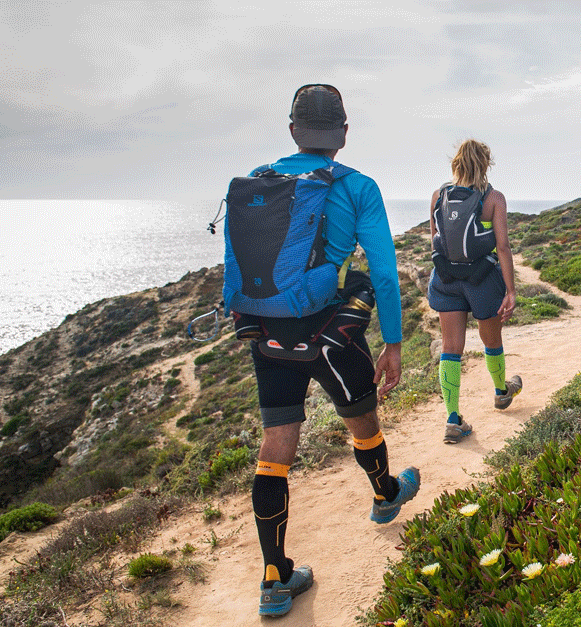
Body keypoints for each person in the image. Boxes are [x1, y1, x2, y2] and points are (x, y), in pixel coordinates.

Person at [238, 84, 419, 617]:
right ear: (343, 133)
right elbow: (383, 272)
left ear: (292, 130)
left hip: (267, 332)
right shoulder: (358, 187)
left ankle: (275, 577)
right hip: (330, 333)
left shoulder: (259, 181)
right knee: (361, 416)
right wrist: (393, 341)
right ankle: (386, 493)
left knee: (277, 444)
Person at [427, 139, 523, 444]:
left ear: (455, 162)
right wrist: (510, 290)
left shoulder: (438, 196)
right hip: (482, 279)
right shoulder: (493, 198)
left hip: (446, 279)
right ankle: (500, 392)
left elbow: (436, 242)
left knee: (450, 347)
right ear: (485, 163)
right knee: (491, 339)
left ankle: (452, 420)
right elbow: (503, 247)